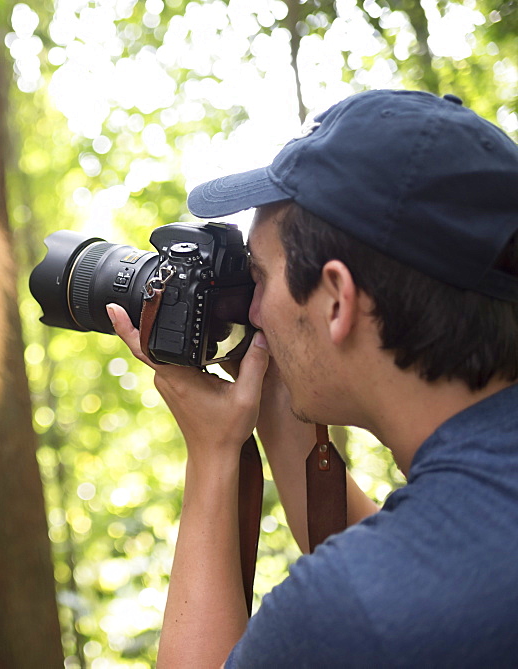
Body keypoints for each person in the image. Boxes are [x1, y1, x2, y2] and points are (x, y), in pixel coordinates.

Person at [107, 89, 518, 667]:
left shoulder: (357, 607)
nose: (253, 312)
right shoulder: (463, 543)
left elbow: (378, 599)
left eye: (261, 277)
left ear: (335, 301)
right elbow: (440, 550)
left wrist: (215, 452)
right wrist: (279, 399)